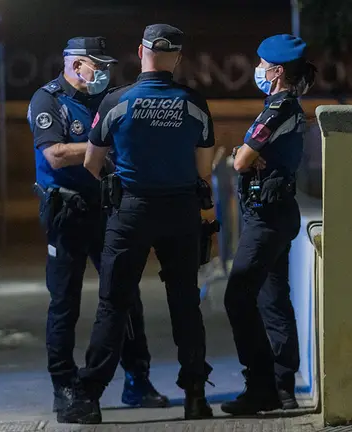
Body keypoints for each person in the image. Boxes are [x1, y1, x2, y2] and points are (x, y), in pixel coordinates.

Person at [57, 24, 216, 424]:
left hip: (130, 211)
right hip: (180, 212)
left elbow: (93, 164)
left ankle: (89, 396)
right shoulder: (194, 102)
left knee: (113, 304)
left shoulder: (116, 101)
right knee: (185, 303)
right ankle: (195, 396)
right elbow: (204, 169)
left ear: (141, 52)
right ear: (177, 58)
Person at [27, 36, 169, 421]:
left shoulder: (101, 99)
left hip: (105, 209)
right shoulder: (48, 101)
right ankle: (65, 387)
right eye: (97, 65)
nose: (103, 72)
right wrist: (101, 143)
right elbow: (55, 155)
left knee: (123, 297)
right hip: (66, 213)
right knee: (64, 303)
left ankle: (137, 380)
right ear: (75, 64)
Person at [220, 34, 317, 416]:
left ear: (276, 72)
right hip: (279, 212)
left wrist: (241, 156)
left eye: (261, 64)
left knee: (238, 297)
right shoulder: (290, 107)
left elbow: (243, 160)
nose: (257, 70)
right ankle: (282, 387)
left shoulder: (277, 109)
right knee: (272, 299)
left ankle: (260, 387)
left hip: (265, 218)